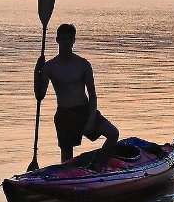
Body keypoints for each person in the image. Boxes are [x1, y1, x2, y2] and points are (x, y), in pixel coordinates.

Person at [34, 23, 120, 168]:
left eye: (69, 39)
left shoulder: (83, 64)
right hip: (64, 115)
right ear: (57, 40)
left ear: (74, 41)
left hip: (84, 110)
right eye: (63, 39)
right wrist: (37, 72)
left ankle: (97, 164)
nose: (66, 42)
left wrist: (91, 119)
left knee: (113, 134)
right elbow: (40, 95)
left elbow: (92, 95)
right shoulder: (49, 67)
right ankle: (68, 178)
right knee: (67, 160)